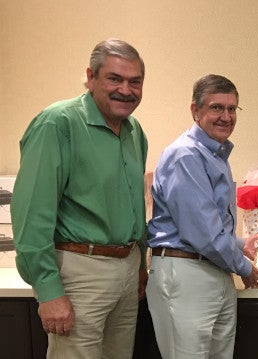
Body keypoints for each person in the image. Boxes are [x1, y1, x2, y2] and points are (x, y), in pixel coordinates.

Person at [11, 38, 148, 358]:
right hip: (79, 271)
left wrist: (140, 263)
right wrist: (48, 291)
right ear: (91, 77)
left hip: (127, 270)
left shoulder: (134, 131)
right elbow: (32, 212)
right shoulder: (58, 123)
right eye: (114, 78)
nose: (125, 90)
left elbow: (133, 205)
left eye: (135, 82)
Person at [146, 74, 258, 359]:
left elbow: (205, 222)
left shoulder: (214, 155)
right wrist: (245, 268)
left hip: (213, 270)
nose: (226, 116)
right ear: (195, 111)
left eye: (232, 108)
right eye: (216, 107)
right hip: (186, 274)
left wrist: (237, 244)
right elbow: (203, 233)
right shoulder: (186, 155)